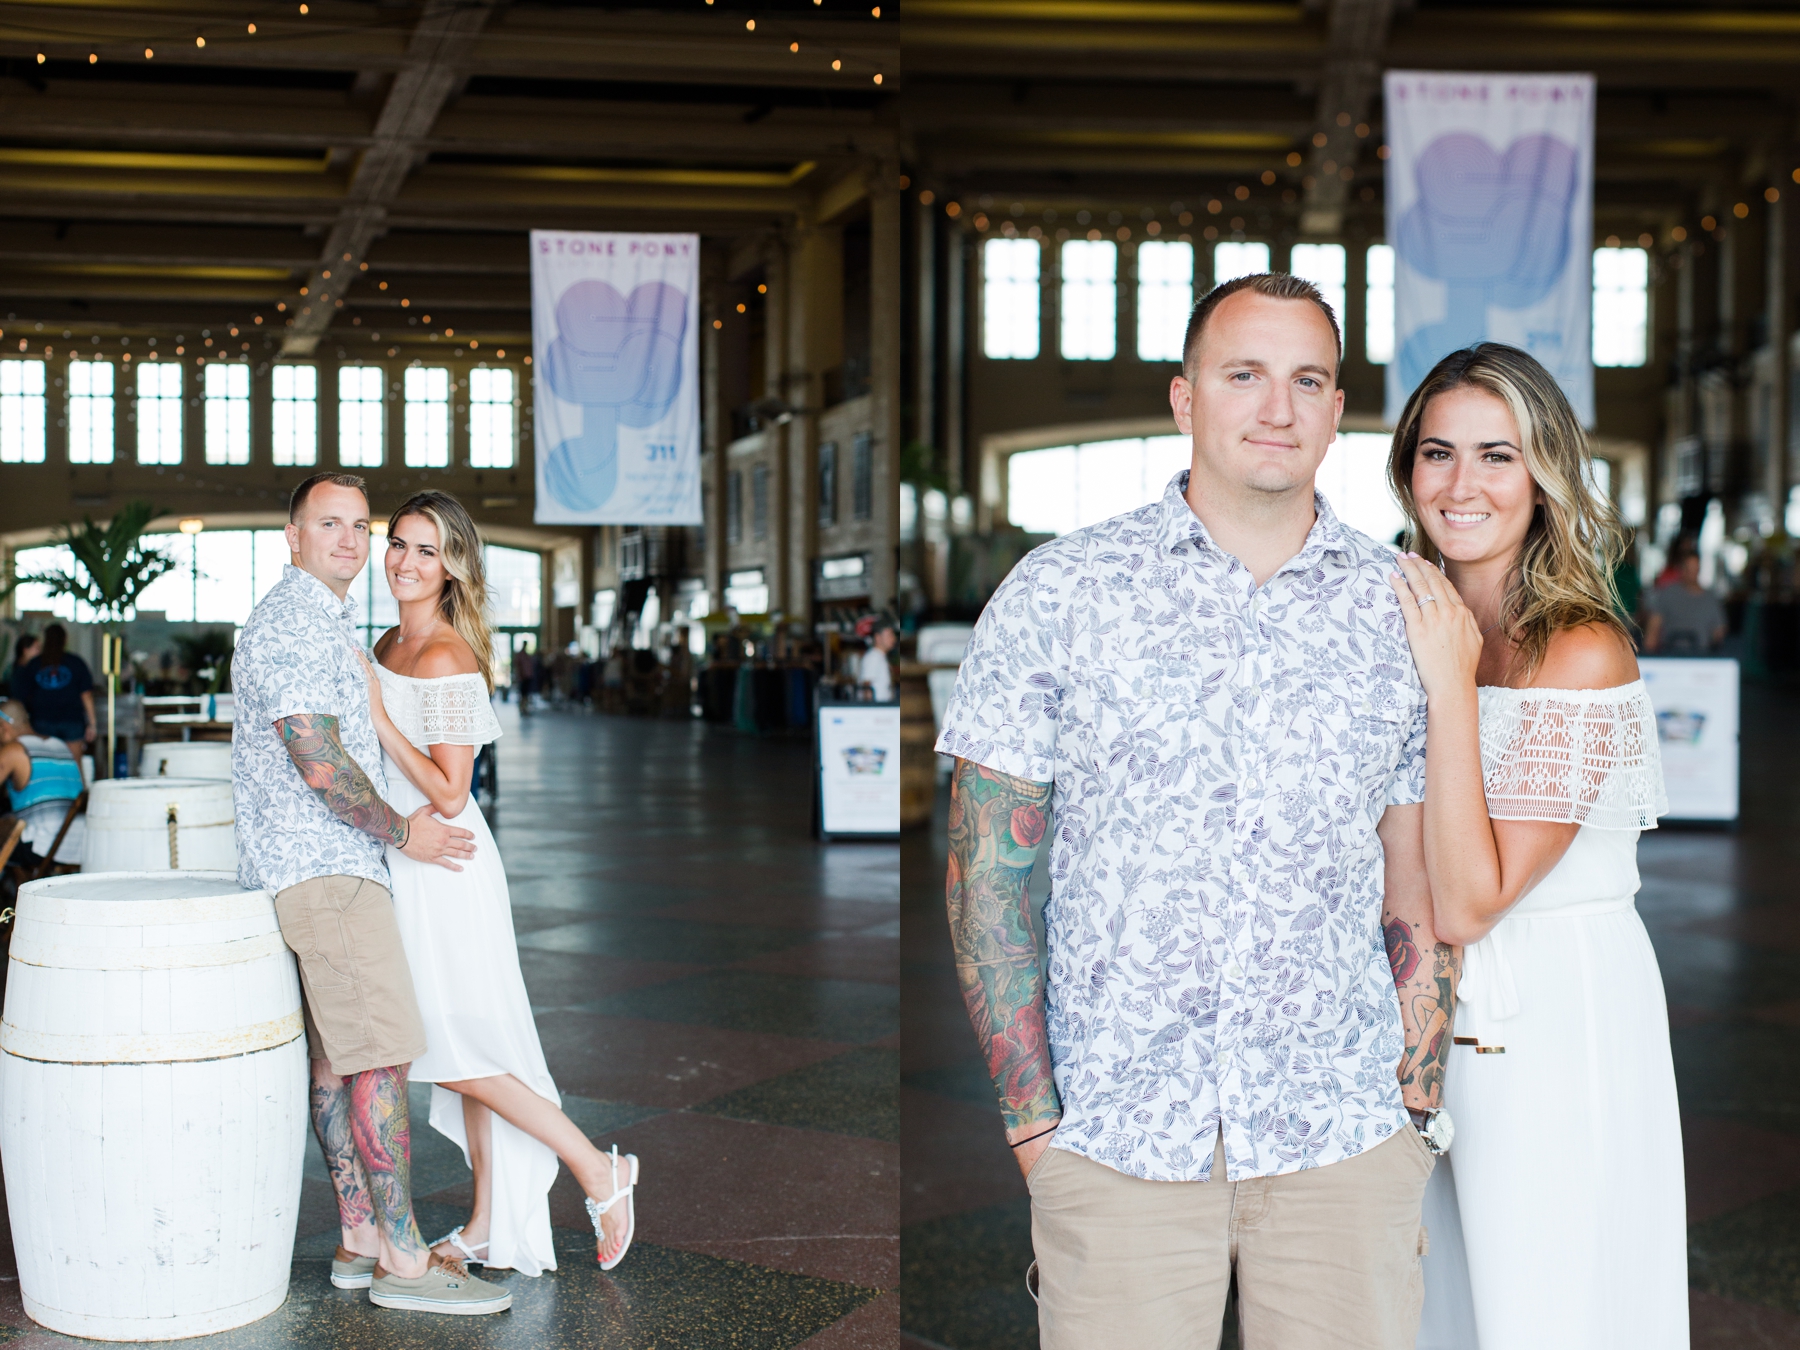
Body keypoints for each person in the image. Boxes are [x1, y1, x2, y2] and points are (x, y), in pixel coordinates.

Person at [936, 272, 1448, 1350]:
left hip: (1341, 1138)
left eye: (1308, 380)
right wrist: (1036, 1128)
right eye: (1244, 375)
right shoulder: (1061, 593)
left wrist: (1412, 1102)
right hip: (1118, 1138)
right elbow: (989, 871)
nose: (1278, 407)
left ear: (1336, 411)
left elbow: (1415, 871)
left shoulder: (1400, 608)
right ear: (1184, 401)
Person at [1384, 343, 1684, 1350]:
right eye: (1437, 452)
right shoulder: (1403, 614)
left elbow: (1475, 899)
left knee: (1551, 1302)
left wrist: (1446, 686)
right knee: (1442, 1304)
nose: (1460, 485)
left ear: (1545, 472)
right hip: (1418, 1005)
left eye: (1496, 455)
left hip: (1555, 1008)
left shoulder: (1582, 648)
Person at [231, 471, 511, 1316]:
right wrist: (405, 830)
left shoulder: (326, 621)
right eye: (332, 525)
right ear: (293, 535)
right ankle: (405, 1261)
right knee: (384, 1056)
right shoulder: (292, 624)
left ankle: (357, 1239)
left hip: (316, 868)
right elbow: (317, 758)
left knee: (337, 1059)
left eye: (363, 526)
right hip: (330, 870)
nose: (353, 542)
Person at [354, 490, 638, 1275]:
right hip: (405, 856)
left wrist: (378, 715)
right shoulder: (385, 639)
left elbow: (450, 790)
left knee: (453, 1040)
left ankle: (594, 1166)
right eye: (400, 545)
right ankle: (484, 1223)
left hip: (446, 858)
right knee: (461, 1037)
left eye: (427, 551)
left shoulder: (447, 654)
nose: (406, 563)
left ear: (452, 568)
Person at [0, 699, 86, 868]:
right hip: (77, 842)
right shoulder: (61, 744)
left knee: (8, 831)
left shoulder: (14, 749)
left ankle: (19, 889)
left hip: (42, 845)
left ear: (4, 728)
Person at [16, 624, 95, 750]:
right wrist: (92, 724)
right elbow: (86, 695)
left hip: (42, 721)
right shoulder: (76, 662)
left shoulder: (34, 664)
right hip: (71, 721)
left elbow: (24, 696)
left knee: (45, 763)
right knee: (74, 765)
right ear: (65, 640)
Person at [1641, 539, 1725, 654]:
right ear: (1682, 569)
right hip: (1670, 653)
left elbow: (1718, 632)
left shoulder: (1710, 598)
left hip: (1702, 655)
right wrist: (1650, 652)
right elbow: (1654, 627)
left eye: (1695, 569)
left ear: (1699, 569)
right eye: (1688, 569)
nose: (1692, 574)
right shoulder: (1667, 594)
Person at [858, 613, 897, 702]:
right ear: (878, 637)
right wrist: (872, 711)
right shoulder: (873, 657)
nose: (893, 639)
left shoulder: (880, 656)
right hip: (877, 711)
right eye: (889, 635)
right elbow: (867, 686)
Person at [2, 633, 40, 697]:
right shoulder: (20, 672)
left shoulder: (15, 669)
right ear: (25, 650)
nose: (39, 652)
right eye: (37, 648)